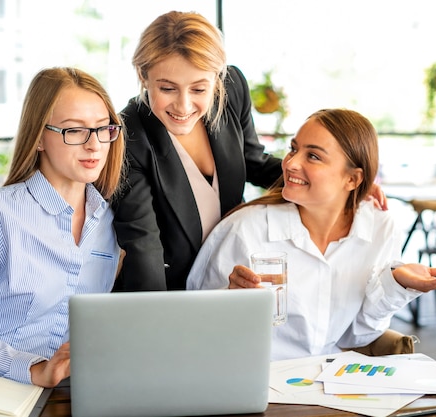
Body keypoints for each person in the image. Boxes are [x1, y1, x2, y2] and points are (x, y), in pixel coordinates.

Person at [113, 11, 388, 291]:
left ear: (217, 79)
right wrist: (153, 322)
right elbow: (143, 245)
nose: (183, 106)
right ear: (143, 76)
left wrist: (342, 188)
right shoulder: (128, 137)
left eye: (199, 89)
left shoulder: (232, 89)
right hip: (172, 289)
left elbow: (253, 162)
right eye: (168, 88)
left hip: (231, 274)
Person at [186, 108, 436, 360]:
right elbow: (195, 330)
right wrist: (229, 300)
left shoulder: (380, 228)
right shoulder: (246, 228)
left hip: (329, 386)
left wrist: (396, 285)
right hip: (257, 385)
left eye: (313, 156)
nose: (290, 163)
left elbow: (359, 336)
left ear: (352, 179)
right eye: (294, 149)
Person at [0, 67, 126, 388]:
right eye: (74, 130)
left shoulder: (113, 224)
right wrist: (34, 369)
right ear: (38, 137)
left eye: (103, 129)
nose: (95, 145)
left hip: (73, 397)